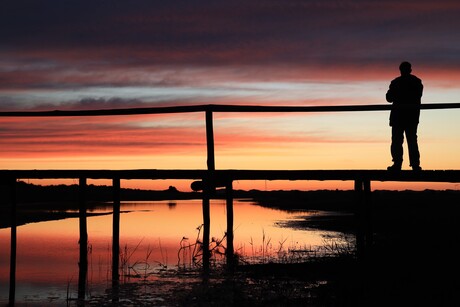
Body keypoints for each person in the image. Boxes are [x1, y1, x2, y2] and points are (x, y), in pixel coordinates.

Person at [386, 61, 423, 171]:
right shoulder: (417, 82)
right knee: (411, 140)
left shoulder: (395, 83)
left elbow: (389, 98)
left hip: (398, 116)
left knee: (397, 140)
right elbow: (417, 95)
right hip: (412, 116)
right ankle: (415, 165)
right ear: (410, 70)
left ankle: (397, 164)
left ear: (400, 70)